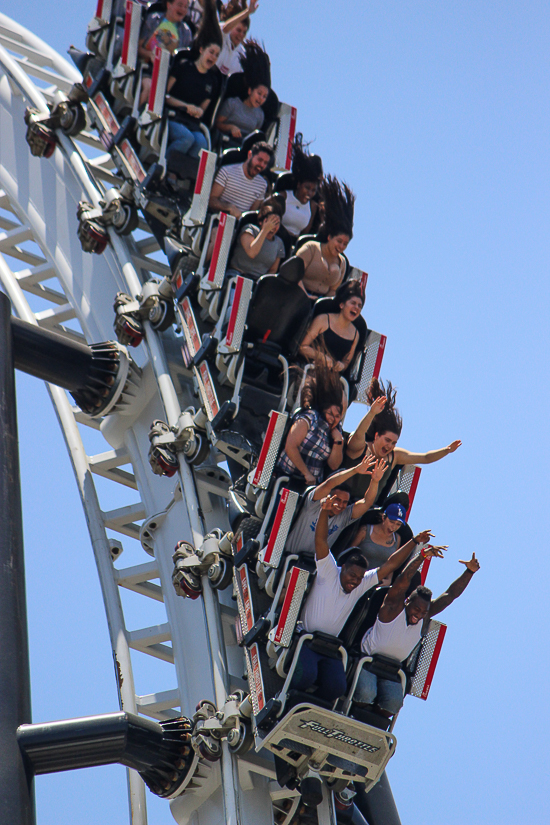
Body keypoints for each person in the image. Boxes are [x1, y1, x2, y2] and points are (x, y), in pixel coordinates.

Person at [289, 501, 429, 703]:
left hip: (330, 648)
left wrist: (415, 542)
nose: (355, 581)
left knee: (337, 686)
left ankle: (312, 707)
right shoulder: (329, 571)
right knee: (307, 675)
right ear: (343, 568)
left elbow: (391, 564)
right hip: (308, 639)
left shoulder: (360, 585)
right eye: (352, 575)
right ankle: (291, 700)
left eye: (359, 577)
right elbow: (320, 540)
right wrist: (324, 512)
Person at [354, 546, 480, 715]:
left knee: (393, 703)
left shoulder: (423, 618)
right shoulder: (393, 608)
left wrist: (469, 572)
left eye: (423, 612)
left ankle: (373, 722)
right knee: (367, 693)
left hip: (391, 670)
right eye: (416, 609)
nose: (418, 614)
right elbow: (403, 579)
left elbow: (450, 595)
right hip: (367, 662)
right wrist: (422, 556)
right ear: (407, 602)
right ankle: (356, 711)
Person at [340, 377, 462, 504]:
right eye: (387, 440)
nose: (390, 446)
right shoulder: (361, 447)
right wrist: (371, 413)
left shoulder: (394, 456)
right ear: (376, 436)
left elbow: (425, 458)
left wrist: (446, 450)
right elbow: (359, 434)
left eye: (394, 443)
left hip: (364, 511)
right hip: (342, 500)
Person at [283, 454, 386, 557]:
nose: (340, 505)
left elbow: (367, 503)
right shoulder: (314, 504)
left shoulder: (343, 517)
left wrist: (375, 481)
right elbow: (329, 484)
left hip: (313, 567)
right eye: (337, 499)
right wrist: (355, 470)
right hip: (288, 558)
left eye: (345, 502)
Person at [164, 0, 223, 164]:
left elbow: (203, 110)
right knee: (186, 138)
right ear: (202, 50)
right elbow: (165, 96)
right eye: (211, 52)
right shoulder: (184, 65)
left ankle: (181, 178)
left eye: (217, 55)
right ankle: (166, 168)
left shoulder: (212, 80)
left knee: (202, 143)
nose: (213, 57)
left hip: (192, 123)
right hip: (173, 117)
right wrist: (184, 106)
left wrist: (197, 111)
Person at [277, 364, 345, 485]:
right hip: (286, 477)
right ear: (323, 410)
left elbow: (334, 465)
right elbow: (290, 446)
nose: (332, 419)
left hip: (310, 486)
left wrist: (338, 441)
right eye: (330, 413)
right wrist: (306, 473)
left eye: (337, 416)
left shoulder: (336, 430)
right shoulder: (310, 418)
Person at [296, 176, 354, 299]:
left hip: (319, 304)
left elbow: (333, 291)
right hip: (297, 295)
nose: (341, 246)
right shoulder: (311, 248)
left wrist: (322, 304)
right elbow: (294, 274)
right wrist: (305, 296)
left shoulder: (342, 263)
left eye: (345, 244)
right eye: (339, 241)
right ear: (329, 237)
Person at [299, 280, 363, 373]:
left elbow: (346, 362)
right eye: (353, 303)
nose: (356, 307)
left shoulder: (355, 334)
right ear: (342, 305)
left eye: (360, 306)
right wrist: (321, 357)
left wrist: (342, 365)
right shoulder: (323, 320)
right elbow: (302, 348)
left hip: (331, 377)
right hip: (308, 369)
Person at [138, 0, 193, 105]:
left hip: (165, 76)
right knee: (149, 87)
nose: (182, 9)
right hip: (144, 67)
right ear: (169, 5)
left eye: (186, 7)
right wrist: (150, 55)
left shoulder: (186, 33)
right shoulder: (154, 19)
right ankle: (133, 116)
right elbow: (137, 47)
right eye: (180, 5)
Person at [215, 40, 270, 143]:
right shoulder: (232, 104)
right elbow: (217, 123)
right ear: (250, 91)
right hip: (226, 140)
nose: (261, 98)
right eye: (259, 94)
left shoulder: (260, 115)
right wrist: (231, 128)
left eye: (264, 96)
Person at [276, 139, 323, 256]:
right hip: (277, 239)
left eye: (313, 190)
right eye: (307, 188)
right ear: (299, 185)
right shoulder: (284, 196)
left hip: (295, 246)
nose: (310, 193)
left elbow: (305, 232)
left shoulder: (312, 206)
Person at [208, 140, 273, 217]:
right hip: (219, 218)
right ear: (249, 155)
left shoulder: (262, 184)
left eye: (265, 163)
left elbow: (251, 214)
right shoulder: (226, 172)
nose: (262, 165)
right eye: (259, 160)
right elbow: (211, 200)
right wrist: (229, 207)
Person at [226, 199, 284, 279]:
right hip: (237, 276)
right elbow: (252, 252)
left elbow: (273, 270)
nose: (273, 226)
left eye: (276, 223)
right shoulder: (250, 229)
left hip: (256, 282)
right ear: (262, 221)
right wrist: (265, 230)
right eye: (271, 222)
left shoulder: (279, 243)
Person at [352, 502, 407, 575]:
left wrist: (388, 580)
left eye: (398, 524)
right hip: (356, 576)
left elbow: (392, 563)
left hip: (377, 582)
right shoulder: (365, 531)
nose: (393, 527)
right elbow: (349, 552)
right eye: (391, 522)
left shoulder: (396, 539)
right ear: (383, 517)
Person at [217, 0, 259, 76]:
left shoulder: (241, 54)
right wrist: (247, 12)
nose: (241, 35)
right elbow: (225, 29)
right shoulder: (221, 34)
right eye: (238, 30)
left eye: (244, 32)